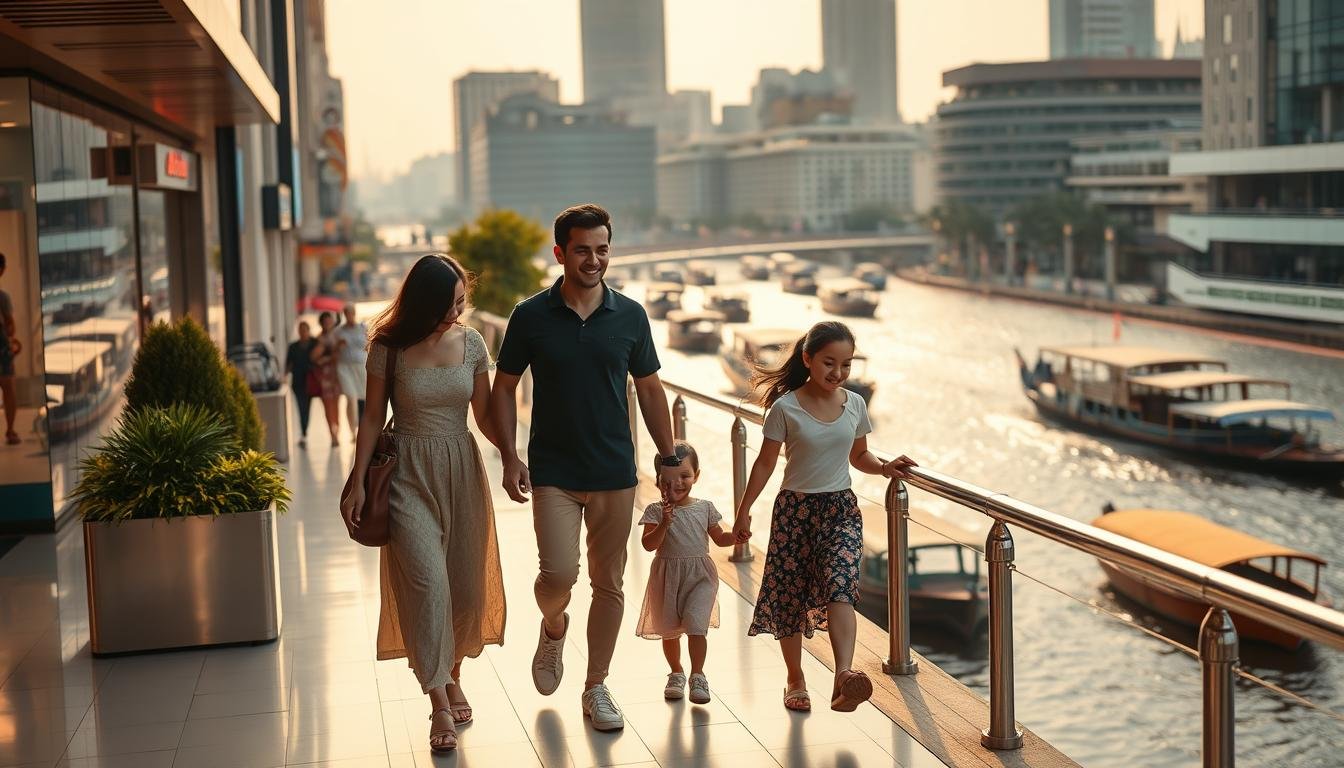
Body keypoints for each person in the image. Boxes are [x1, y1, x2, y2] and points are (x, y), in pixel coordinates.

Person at [489, 203, 678, 733]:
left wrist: (667, 457)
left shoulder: (631, 316)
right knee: (558, 575)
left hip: (616, 471)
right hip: (552, 471)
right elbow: (504, 387)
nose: (594, 259)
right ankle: (553, 627)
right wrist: (509, 455)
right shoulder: (530, 316)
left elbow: (649, 388)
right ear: (560, 254)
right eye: (582, 250)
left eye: (602, 249)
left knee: (609, 583)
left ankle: (596, 686)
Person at [340, 254, 506, 753]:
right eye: (448, 305)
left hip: (461, 471)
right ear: (422, 303)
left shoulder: (473, 343)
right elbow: (371, 418)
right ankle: (437, 699)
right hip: (407, 473)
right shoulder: (387, 347)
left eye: (462, 302)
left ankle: (452, 673)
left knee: (465, 588)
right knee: (428, 585)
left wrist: (516, 458)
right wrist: (357, 481)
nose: (457, 313)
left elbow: (485, 415)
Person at [731, 321, 916, 714]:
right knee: (790, 597)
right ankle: (795, 678)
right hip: (795, 512)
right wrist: (744, 510)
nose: (838, 373)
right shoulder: (785, 408)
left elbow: (859, 456)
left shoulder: (855, 404)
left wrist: (885, 468)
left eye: (846, 364)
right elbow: (765, 464)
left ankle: (843, 676)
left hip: (841, 510)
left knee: (840, 585)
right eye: (829, 363)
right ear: (808, 359)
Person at [636, 440, 735, 705]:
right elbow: (649, 545)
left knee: (696, 623)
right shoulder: (655, 511)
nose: (677, 484)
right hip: (666, 577)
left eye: (684, 476)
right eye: (668, 480)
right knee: (669, 630)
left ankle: (698, 675)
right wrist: (665, 523)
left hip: (700, 576)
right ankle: (676, 671)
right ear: (658, 481)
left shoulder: (705, 507)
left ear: (696, 475)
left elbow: (720, 537)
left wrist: (736, 537)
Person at [334, 303, 368, 441]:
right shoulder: (339, 331)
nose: (349, 316)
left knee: (364, 398)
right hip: (344, 367)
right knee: (351, 397)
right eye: (346, 313)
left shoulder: (363, 328)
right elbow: (332, 350)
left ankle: (363, 428)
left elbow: (370, 345)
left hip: (361, 366)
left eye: (351, 313)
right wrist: (338, 346)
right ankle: (352, 430)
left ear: (354, 313)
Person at [309, 311, 342, 447]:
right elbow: (314, 358)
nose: (329, 324)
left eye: (330, 321)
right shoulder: (319, 339)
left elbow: (340, 355)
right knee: (327, 406)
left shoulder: (337, 336)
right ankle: (332, 434)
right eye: (326, 322)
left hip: (336, 375)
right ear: (322, 323)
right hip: (324, 376)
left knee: (336, 405)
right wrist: (327, 357)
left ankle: (337, 430)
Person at [285, 320, 317, 449]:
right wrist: (284, 376)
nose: (303, 332)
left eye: (305, 329)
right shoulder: (293, 346)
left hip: (312, 381)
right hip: (298, 382)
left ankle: (305, 430)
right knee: (301, 407)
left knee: (307, 407)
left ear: (309, 330)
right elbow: (288, 363)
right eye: (301, 330)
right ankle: (303, 432)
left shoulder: (315, 343)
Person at [0, 252, 19, 445]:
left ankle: (11, 429)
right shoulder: (3, 297)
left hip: (2, 347)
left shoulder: (3, 297)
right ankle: (10, 430)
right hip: (2, 348)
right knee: (8, 388)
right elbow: (11, 326)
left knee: (8, 388)